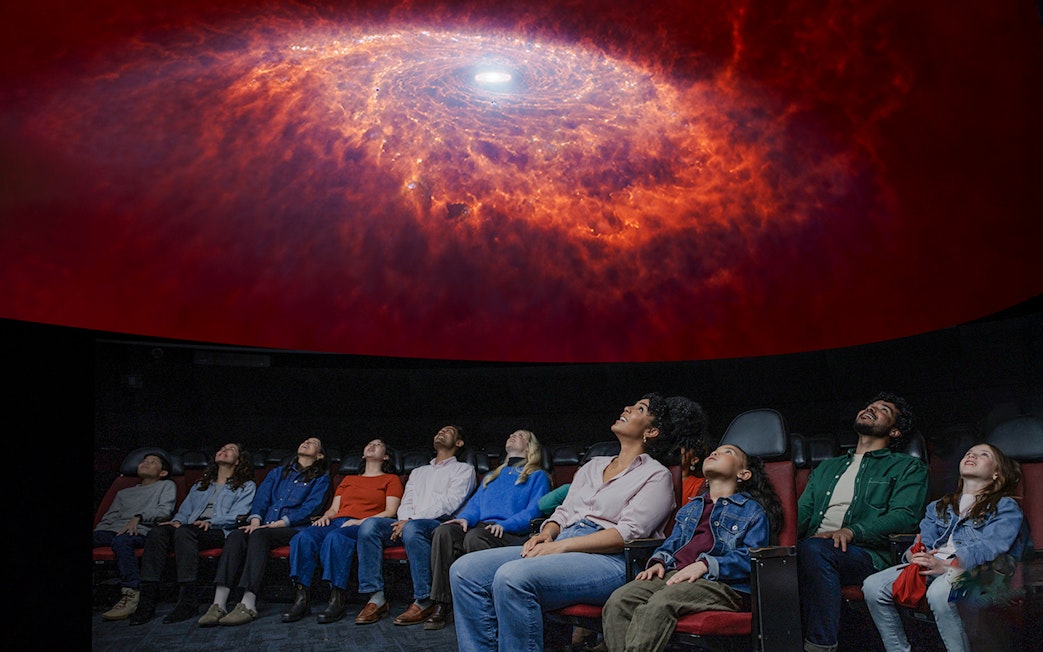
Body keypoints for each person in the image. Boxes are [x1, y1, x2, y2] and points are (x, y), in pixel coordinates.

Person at [449, 393, 703, 652]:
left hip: (610, 561)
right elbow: (563, 511)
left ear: (651, 431)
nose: (626, 407)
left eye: (639, 408)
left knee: (511, 576)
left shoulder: (656, 475)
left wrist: (560, 547)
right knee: (464, 571)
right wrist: (547, 534)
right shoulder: (593, 466)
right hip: (562, 543)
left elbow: (626, 534)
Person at [601, 443, 783, 652]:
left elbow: (750, 558)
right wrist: (659, 561)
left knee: (660, 604)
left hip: (720, 584)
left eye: (728, 452)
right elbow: (671, 544)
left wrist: (705, 565)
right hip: (675, 575)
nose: (716, 452)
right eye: (715, 450)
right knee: (619, 601)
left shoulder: (752, 511)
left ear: (743, 474)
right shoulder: (690, 508)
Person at [862, 443, 1030, 652]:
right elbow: (924, 540)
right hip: (933, 565)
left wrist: (950, 564)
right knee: (872, 585)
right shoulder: (938, 506)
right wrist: (915, 555)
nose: (972, 455)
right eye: (969, 453)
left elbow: (992, 546)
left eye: (983, 454)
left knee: (940, 592)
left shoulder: (1005, 506)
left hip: (979, 570)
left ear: (996, 473)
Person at [797, 392, 929, 652]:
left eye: (883, 410)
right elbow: (802, 514)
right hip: (812, 547)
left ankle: (820, 647)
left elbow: (904, 517)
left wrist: (851, 531)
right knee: (771, 560)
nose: (870, 409)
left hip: (866, 555)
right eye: (869, 406)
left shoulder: (907, 468)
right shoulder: (827, 467)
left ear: (895, 432)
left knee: (813, 550)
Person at [423, 429, 553, 630]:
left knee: (475, 537)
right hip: (483, 528)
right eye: (510, 434)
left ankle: (488, 605)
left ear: (529, 447)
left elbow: (533, 513)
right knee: (444, 531)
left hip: (512, 532)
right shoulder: (492, 475)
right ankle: (443, 603)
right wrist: (464, 519)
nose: (511, 435)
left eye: (519, 435)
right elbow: (474, 506)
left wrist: (505, 524)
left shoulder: (538, 476)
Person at [198, 436, 331, 627]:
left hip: (292, 528)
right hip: (263, 525)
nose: (306, 443)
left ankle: (248, 602)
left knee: (259, 535)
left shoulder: (321, 478)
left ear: (319, 456)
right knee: (236, 535)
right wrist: (255, 520)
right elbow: (262, 499)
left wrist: (277, 524)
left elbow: (311, 508)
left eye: (314, 443)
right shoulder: (277, 473)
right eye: (305, 441)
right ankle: (218, 603)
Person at [353, 425, 476, 625]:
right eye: (439, 430)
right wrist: (404, 520)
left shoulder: (464, 469)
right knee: (369, 526)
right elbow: (406, 501)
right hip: (407, 521)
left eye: (448, 431)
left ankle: (424, 598)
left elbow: (450, 502)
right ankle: (376, 597)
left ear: (459, 443)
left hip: (439, 524)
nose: (441, 432)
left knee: (412, 529)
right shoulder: (419, 472)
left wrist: (411, 521)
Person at [130, 443, 256, 625]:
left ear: (238, 461)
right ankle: (147, 600)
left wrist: (211, 521)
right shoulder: (201, 485)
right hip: (189, 527)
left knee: (185, 533)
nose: (223, 450)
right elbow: (185, 511)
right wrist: (177, 521)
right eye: (221, 448)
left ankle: (187, 599)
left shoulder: (246, 486)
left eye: (230, 450)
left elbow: (239, 515)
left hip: (220, 530)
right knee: (157, 533)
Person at [281, 438, 404, 624]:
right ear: (362, 454)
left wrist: (360, 521)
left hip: (365, 525)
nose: (371, 445)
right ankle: (301, 598)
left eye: (378, 445)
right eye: (369, 444)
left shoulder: (391, 479)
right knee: (303, 537)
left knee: (336, 537)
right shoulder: (348, 479)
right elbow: (334, 508)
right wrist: (326, 516)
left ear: (385, 457)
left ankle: (336, 598)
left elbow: (390, 511)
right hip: (337, 521)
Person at [94, 450, 177, 621]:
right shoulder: (123, 492)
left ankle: (131, 591)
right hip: (114, 531)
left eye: (152, 462)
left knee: (122, 541)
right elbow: (109, 517)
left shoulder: (166, 485)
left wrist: (138, 518)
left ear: (163, 472)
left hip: (140, 531)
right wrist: (99, 533)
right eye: (144, 461)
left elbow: (164, 512)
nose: (145, 463)